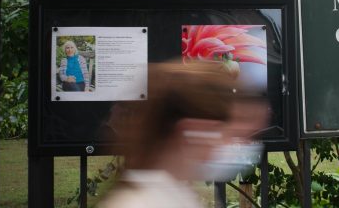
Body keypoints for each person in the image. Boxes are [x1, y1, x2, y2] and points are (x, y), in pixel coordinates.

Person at [98, 60, 269, 208]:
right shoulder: (141, 203)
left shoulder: (170, 194)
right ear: (194, 132)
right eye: (233, 134)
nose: (242, 144)